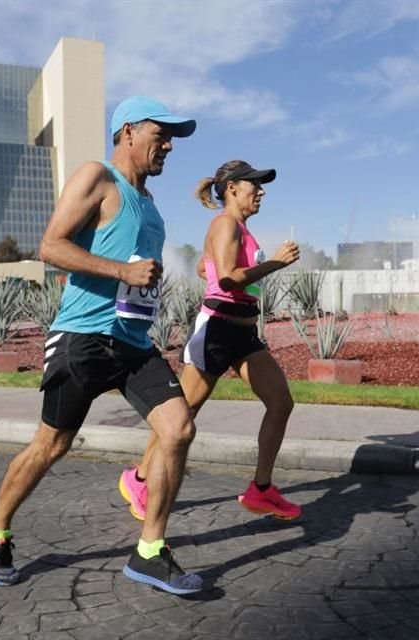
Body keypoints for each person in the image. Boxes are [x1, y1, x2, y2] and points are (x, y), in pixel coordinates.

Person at [0, 96, 204, 595]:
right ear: (127, 133)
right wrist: (121, 270)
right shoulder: (97, 176)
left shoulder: (151, 204)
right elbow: (50, 245)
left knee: (178, 430)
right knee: (51, 445)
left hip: (134, 344)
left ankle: (149, 552)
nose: (168, 146)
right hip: (82, 339)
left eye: (172, 139)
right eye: (160, 135)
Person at [118, 160, 303, 523]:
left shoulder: (240, 229)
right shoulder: (224, 223)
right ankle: (139, 480)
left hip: (244, 334)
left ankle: (261, 490)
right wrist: (277, 263)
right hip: (217, 330)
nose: (262, 191)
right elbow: (233, 279)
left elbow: (214, 268)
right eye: (255, 185)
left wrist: (210, 266)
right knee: (180, 416)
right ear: (232, 188)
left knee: (281, 403)